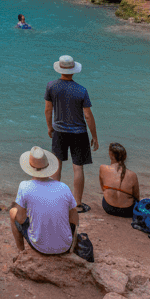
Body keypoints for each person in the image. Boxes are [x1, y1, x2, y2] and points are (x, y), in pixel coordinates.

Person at [45, 55, 98, 211]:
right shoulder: (81, 90)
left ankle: (55, 201)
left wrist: (50, 127)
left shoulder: (51, 86)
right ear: (74, 71)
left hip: (59, 131)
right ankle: (78, 203)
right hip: (79, 133)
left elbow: (48, 110)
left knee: (57, 165)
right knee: (78, 167)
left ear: (59, 69)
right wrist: (94, 136)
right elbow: (88, 115)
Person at [9, 146, 79, 255]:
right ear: (48, 166)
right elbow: (74, 218)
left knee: (12, 212)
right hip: (65, 246)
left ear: (29, 167)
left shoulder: (24, 186)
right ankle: (68, 246)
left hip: (40, 247)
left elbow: (21, 219)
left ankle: (21, 251)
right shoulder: (63, 187)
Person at [98, 143, 139, 217]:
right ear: (125, 157)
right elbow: (137, 196)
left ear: (111, 155)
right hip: (127, 210)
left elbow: (103, 189)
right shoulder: (133, 175)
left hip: (108, 207)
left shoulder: (103, 168)